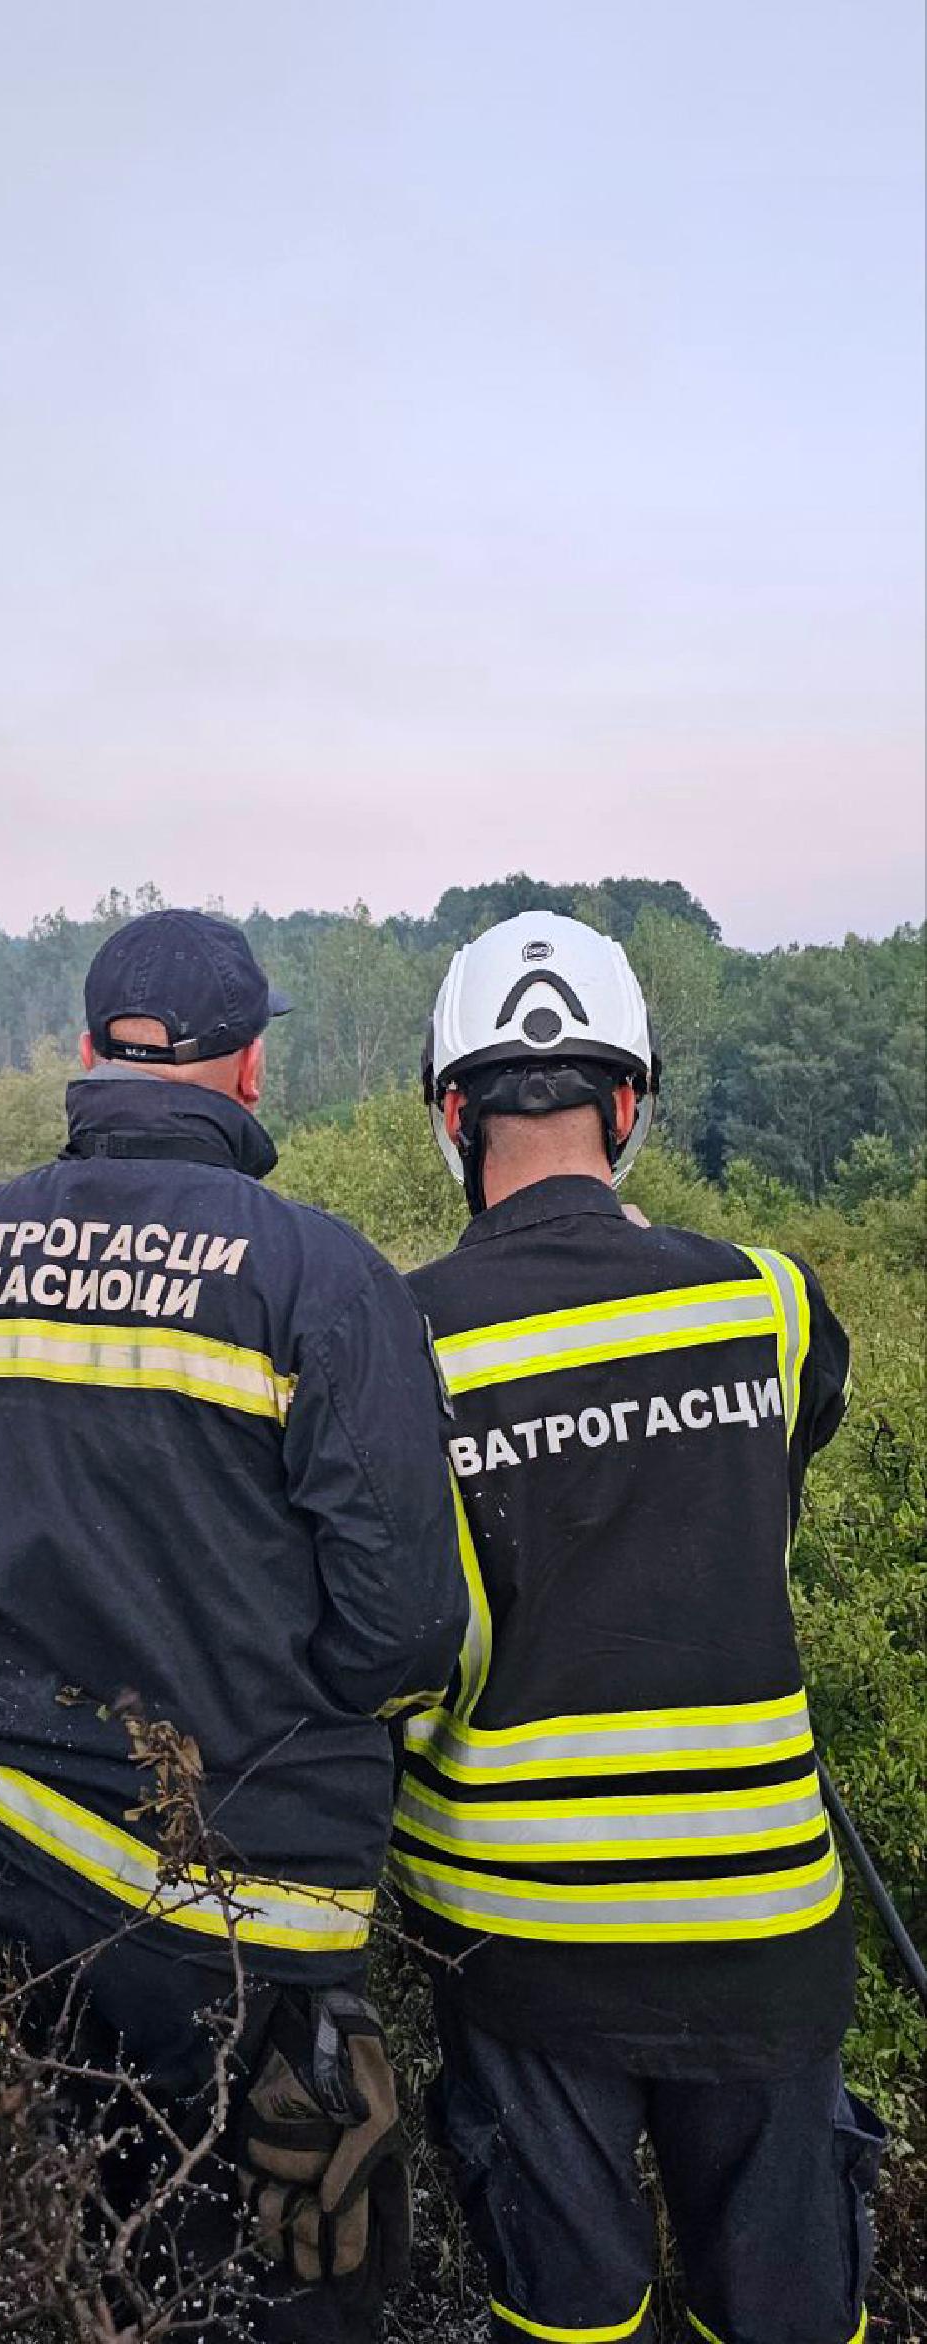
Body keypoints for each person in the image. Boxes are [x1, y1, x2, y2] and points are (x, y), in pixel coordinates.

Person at [0, 907, 466, 2339]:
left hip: (13, 1878)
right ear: (248, 1071)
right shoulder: (321, 1276)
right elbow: (405, 1632)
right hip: (259, 1912)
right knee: (309, 2274)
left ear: (85, 1054)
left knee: (95, 2257)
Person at [392, 909, 884, 2344]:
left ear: (452, 1113)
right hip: (765, 1923)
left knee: (572, 2323)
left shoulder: (402, 1340)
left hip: (520, 1935)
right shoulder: (773, 1304)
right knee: (791, 2313)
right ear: (626, 1105)